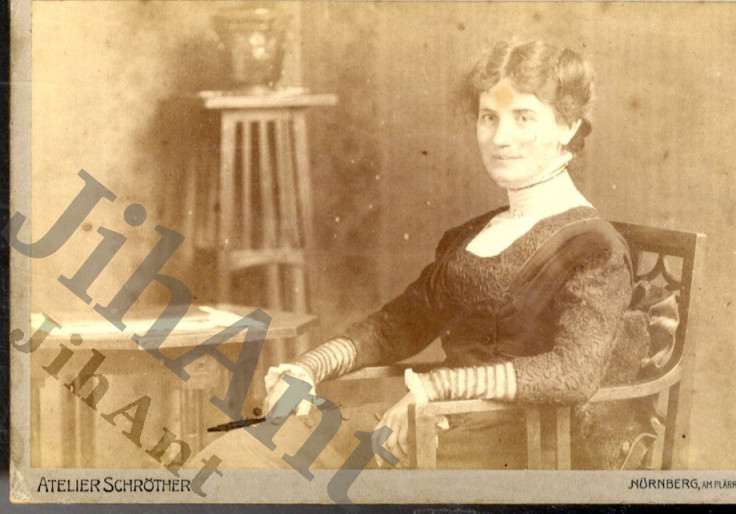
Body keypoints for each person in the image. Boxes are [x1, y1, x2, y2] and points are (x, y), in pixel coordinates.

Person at [195, 39, 662, 471]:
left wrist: (435, 389)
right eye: (488, 117)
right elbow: (398, 324)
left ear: (568, 125)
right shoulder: (474, 234)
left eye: (524, 117)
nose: (500, 138)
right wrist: (308, 367)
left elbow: (573, 373)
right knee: (229, 457)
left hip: (508, 454)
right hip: (429, 429)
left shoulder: (594, 247)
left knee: (248, 475)